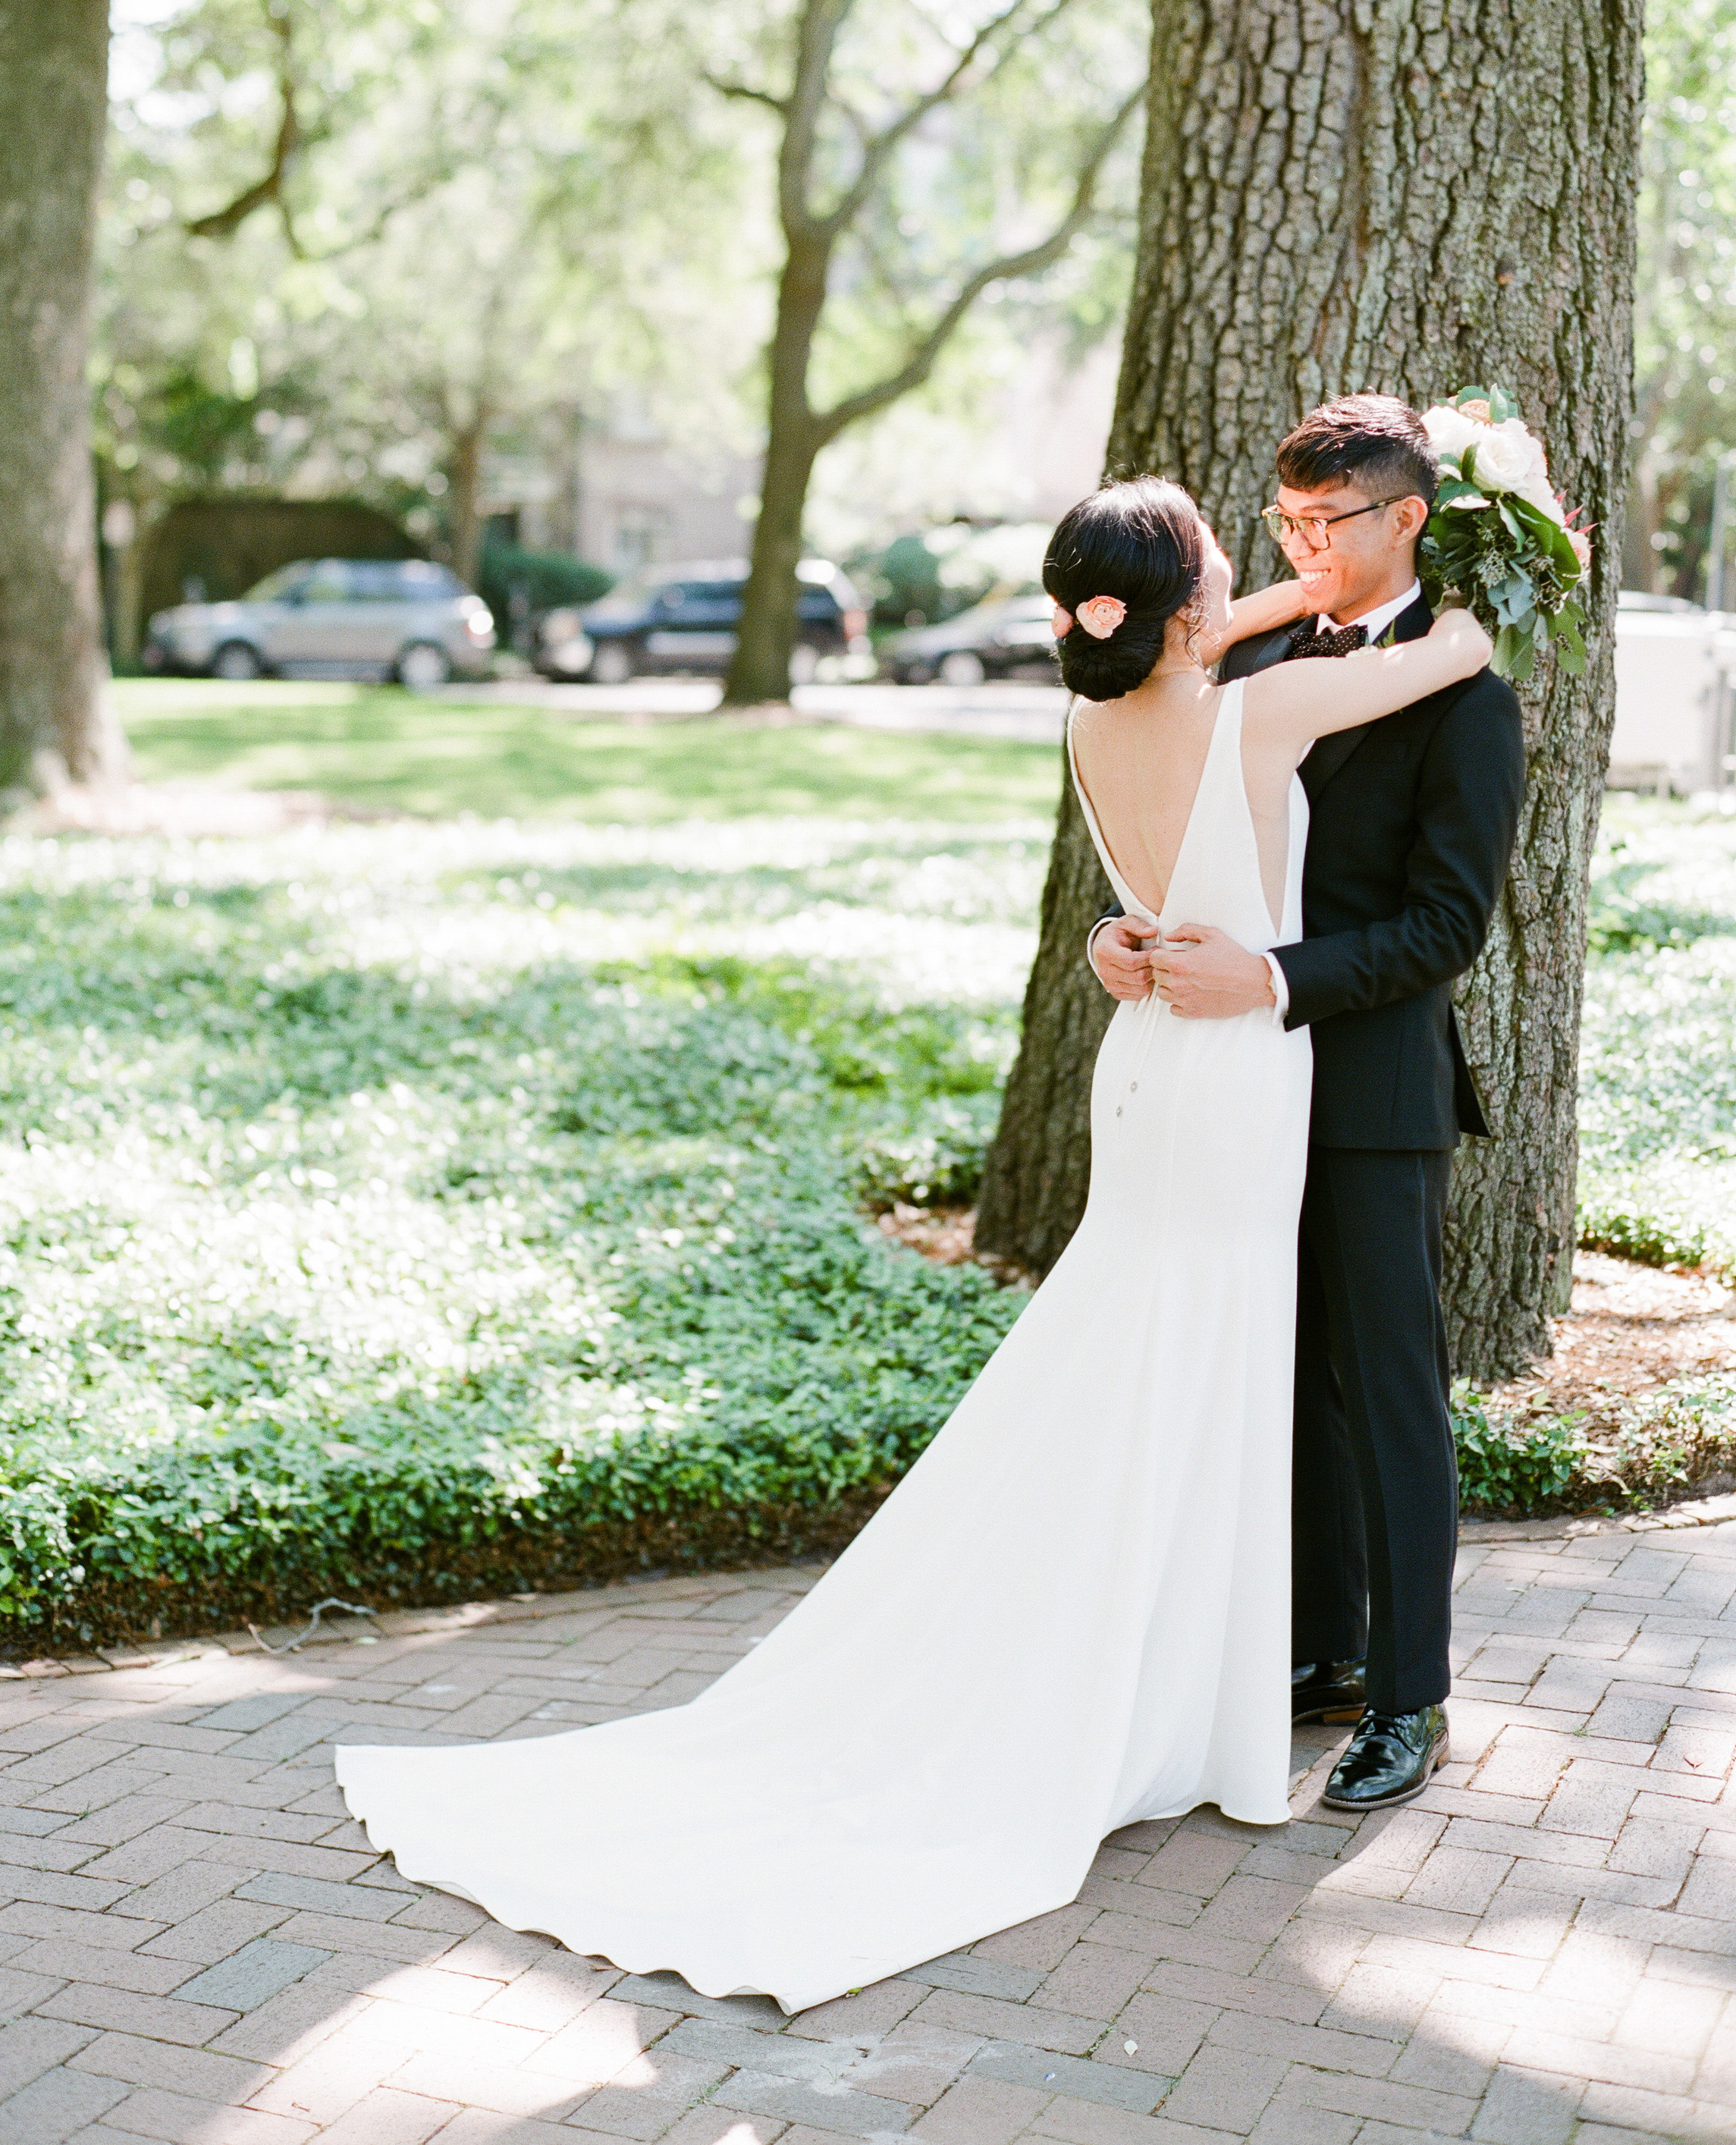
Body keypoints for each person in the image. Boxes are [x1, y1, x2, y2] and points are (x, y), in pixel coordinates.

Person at [335, 477, 1493, 2013]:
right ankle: (1190, 1686)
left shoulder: (1101, 721)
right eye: (1230, 563)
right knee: (1205, 1362)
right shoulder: (1254, 722)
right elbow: (1438, 653)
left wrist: (1224, 610)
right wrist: (1501, 567)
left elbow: (1218, 651)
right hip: (1229, 1067)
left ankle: (1204, 1666)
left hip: (1146, 1061)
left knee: (1158, 1348)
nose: (1255, 574)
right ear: (1189, 612)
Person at [1088, 399, 1526, 1811]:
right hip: (1227, 1094)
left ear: (1407, 517)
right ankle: (1319, 1651)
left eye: (1329, 520)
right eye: (1284, 523)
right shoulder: (1254, 654)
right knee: (1284, 1382)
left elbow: (1446, 925)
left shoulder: (1471, 696)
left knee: (1387, 1391)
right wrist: (1132, 938)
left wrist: (1269, 981)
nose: (1305, 544)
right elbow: (1188, 840)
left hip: (1369, 1084)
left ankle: (1413, 1694)